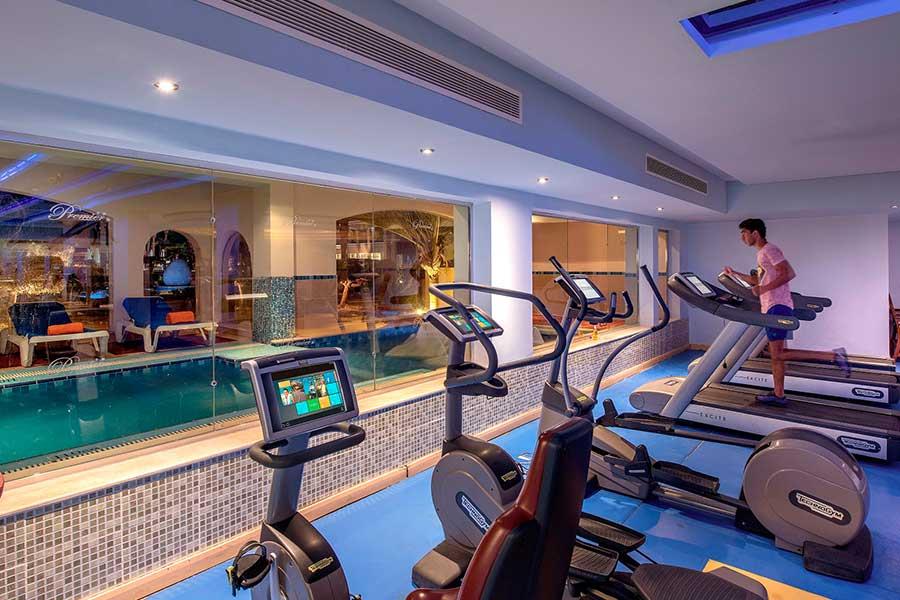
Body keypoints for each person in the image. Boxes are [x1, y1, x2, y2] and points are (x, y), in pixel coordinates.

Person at [724, 218, 850, 406]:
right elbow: (759, 280)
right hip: (774, 306)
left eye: (744, 233)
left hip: (777, 306)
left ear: (755, 233)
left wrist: (764, 289)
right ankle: (779, 395)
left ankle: (833, 356)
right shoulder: (762, 254)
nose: (742, 238)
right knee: (778, 355)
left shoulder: (769, 250)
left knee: (778, 354)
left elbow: (788, 273)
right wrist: (734, 274)